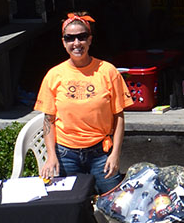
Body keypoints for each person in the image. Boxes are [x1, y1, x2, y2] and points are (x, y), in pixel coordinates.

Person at [34, 11, 134, 194]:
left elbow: (118, 116)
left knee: (115, 202)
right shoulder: (54, 75)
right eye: (70, 38)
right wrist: (51, 157)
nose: (76, 43)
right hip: (66, 154)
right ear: (63, 42)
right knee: (71, 204)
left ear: (90, 40)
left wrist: (115, 155)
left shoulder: (108, 71)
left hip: (101, 153)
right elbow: (48, 120)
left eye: (82, 37)